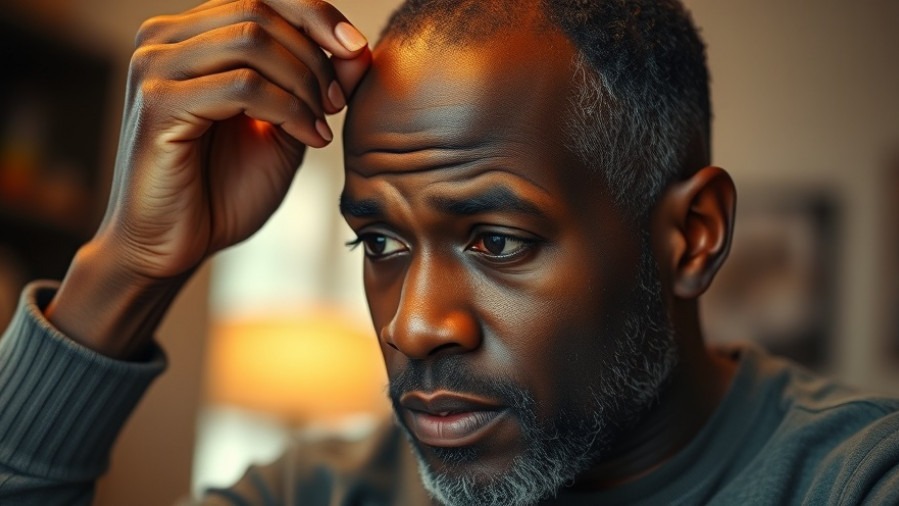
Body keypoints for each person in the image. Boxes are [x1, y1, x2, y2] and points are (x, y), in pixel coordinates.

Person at [1, 0, 897, 504]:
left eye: (496, 240)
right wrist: (132, 262)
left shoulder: (855, 482)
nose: (413, 324)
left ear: (691, 237)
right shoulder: (320, 493)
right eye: (381, 241)